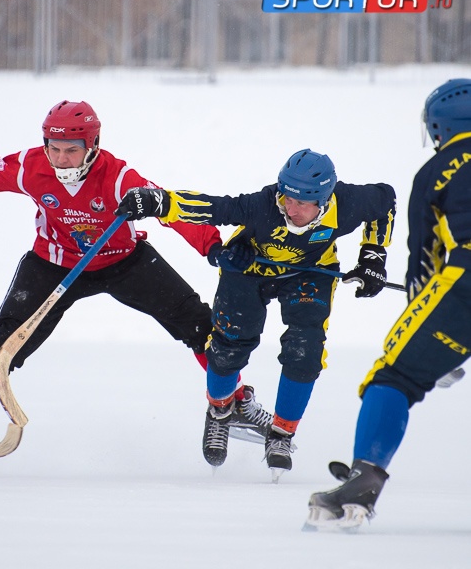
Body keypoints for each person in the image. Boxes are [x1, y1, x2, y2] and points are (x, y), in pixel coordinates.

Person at [0, 100, 272, 470]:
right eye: (54, 148)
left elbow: (171, 210)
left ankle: (232, 402)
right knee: (2, 345)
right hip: (53, 264)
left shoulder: (118, 177)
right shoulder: (30, 166)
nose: (62, 158)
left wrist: (214, 248)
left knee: (202, 326)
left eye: (72, 149)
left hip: (123, 262)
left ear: (93, 145)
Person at [120, 148, 397, 478]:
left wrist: (373, 256)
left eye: (301, 204)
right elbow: (215, 207)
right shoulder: (264, 204)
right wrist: (160, 202)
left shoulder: (349, 203)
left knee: (305, 352)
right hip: (249, 267)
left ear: (324, 201)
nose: (290, 209)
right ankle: (221, 411)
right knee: (228, 346)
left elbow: (386, 202)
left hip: (311, 274)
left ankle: (281, 434)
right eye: (286, 199)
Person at [306, 78, 471, 530]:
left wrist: (430, 352)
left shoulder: (440, 169)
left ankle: (361, 482)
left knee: (395, 376)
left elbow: (425, 261)